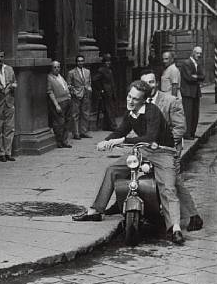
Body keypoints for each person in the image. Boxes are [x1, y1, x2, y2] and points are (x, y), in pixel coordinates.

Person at [72, 80, 185, 245]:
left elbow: (150, 137)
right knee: (112, 169)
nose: (130, 101)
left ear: (144, 100)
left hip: (163, 152)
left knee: (168, 187)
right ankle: (96, 210)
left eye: (135, 99)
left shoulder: (152, 111)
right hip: (143, 150)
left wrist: (121, 140)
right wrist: (106, 141)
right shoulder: (130, 113)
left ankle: (175, 228)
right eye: (129, 96)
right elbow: (120, 131)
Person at [139, 71, 203, 231]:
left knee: (173, 181)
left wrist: (162, 144)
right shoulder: (140, 102)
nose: (149, 86)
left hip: (168, 148)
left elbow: (180, 128)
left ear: (157, 84)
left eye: (152, 82)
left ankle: (194, 216)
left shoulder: (170, 101)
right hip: (149, 148)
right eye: (145, 83)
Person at [179, 46, 205, 140]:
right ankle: (187, 134)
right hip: (188, 92)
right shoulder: (186, 63)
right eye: (197, 53)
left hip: (195, 92)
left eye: (200, 53)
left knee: (195, 114)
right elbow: (189, 78)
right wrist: (198, 77)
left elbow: (203, 76)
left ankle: (192, 133)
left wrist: (196, 76)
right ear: (193, 53)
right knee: (188, 114)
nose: (199, 55)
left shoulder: (198, 63)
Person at [47, 61, 73, 148]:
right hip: (59, 102)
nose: (57, 69)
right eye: (55, 67)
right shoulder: (49, 78)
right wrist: (56, 105)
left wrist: (68, 92)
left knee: (67, 122)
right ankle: (59, 141)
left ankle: (65, 141)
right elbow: (50, 92)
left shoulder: (60, 76)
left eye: (58, 67)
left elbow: (64, 86)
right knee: (59, 123)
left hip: (67, 100)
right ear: (51, 68)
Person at [67, 54, 92, 139]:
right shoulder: (71, 72)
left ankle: (83, 132)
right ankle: (76, 133)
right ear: (76, 62)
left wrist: (89, 89)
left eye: (82, 61)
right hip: (76, 95)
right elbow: (69, 85)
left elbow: (89, 82)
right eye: (78, 61)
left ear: (84, 62)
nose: (80, 62)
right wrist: (74, 92)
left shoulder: (87, 71)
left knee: (85, 114)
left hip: (86, 94)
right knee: (75, 114)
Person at [92, 53, 117, 131]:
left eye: (109, 61)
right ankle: (113, 126)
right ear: (104, 62)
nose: (108, 63)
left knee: (108, 109)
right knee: (109, 109)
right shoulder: (102, 70)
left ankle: (106, 126)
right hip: (106, 92)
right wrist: (101, 89)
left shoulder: (109, 70)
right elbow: (94, 80)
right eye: (106, 61)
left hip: (110, 91)